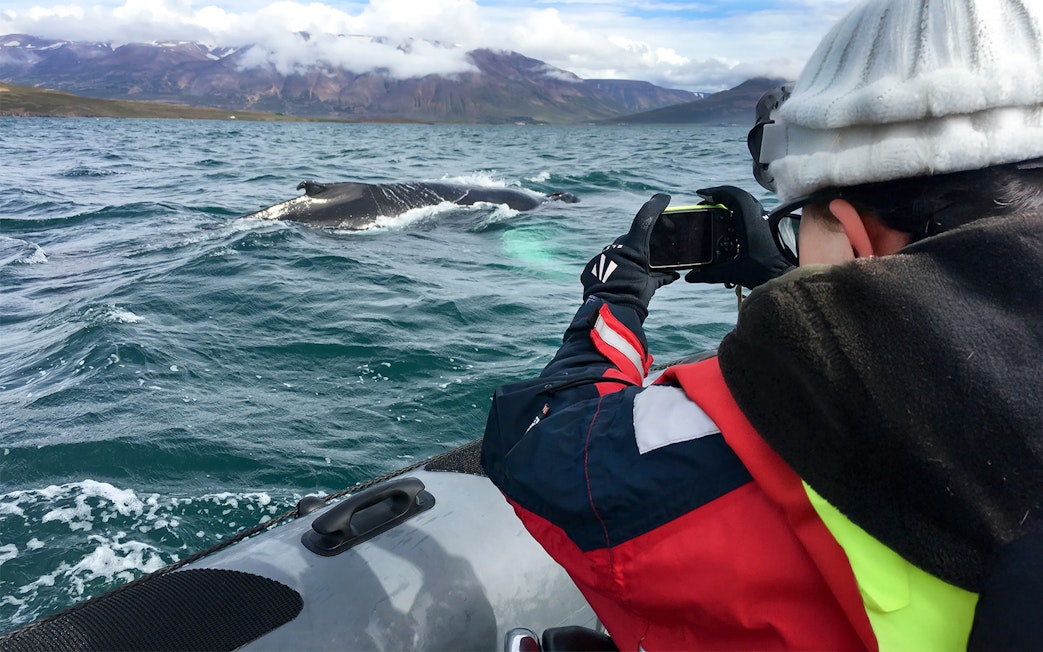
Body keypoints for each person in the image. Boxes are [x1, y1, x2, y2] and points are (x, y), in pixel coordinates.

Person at [481, 0, 1043, 650]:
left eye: (800, 224)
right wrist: (788, 278)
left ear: (853, 237)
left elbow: (537, 446)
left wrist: (615, 295)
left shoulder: (755, 440)